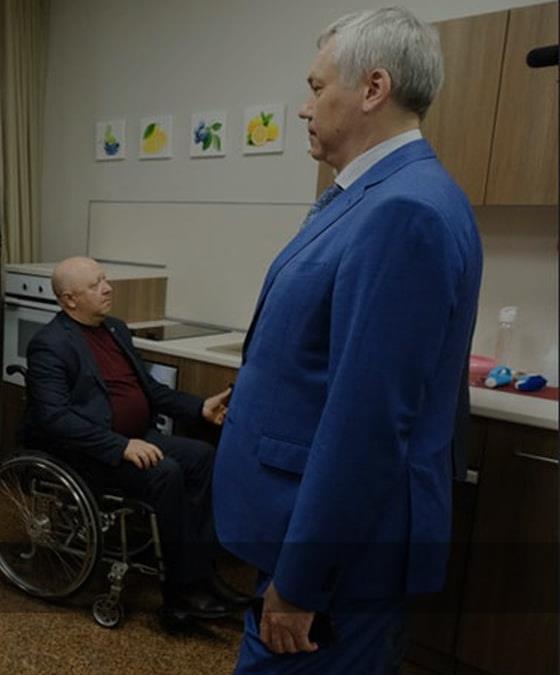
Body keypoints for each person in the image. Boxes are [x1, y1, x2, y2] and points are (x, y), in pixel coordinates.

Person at [213, 8, 483, 671]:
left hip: (334, 570)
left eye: (316, 87)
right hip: (314, 542)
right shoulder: (373, 196)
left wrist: (303, 580)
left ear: (373, 88)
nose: (304, 107)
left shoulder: (404, 211)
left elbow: (369, 421)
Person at [23, 256, 244, 619]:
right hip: (92, 452)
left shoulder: (115, 329)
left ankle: (203, 573)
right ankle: (180, 592)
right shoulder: (50, 344)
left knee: (203, 457)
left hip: (135, 437)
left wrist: (200, 408)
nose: (108, 288)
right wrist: (121, 446)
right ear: (70, 299)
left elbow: (151, 391)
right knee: (166, 472)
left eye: (105, 279)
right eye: (95, 284)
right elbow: (54, 419)